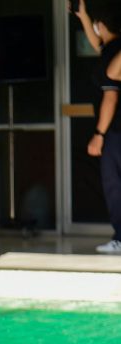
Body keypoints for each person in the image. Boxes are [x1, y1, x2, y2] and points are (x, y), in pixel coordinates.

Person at [81, 4, 121, 253]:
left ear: (103, 24)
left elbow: (111, 96)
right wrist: (83, 16)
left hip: (115, 131)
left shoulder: (115, 54)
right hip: (114, 131)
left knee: (114, 185)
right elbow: (96, 42)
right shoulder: (109, 49)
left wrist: (99, 134)